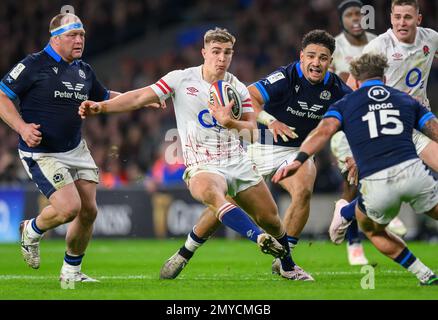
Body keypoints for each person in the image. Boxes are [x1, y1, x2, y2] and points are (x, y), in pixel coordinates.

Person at [79, 27, 300, 278]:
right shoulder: (181, 79)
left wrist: (230, 123)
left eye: (227, 52)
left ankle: (287, 266)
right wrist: (101, 107)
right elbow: (139, 96)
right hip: (202, 164)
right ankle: (258, 237)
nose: (222, 58)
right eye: (216, 51)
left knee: (272, 219)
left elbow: (250, 128)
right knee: (215, 195)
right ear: (204, 52)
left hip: (237, 161)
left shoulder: (237, 87)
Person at [159, 30, 353, 281]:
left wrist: (351, 153)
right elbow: (250, 94)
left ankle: (285, 258)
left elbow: (356, 115)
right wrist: (270, 121)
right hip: (260, 144)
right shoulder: (285, 76)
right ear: (301, 57)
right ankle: (186, 252)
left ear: (330, 62)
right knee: (229, 200)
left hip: (296, 150)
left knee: (304, 187)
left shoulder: (336, 88)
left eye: (323, 58)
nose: (316, 63)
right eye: (312, 56)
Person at [272, 53, 438, 286]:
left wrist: (298, 160)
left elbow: (322, 133)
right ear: (384, 77)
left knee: (374, 230)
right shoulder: (405, 98)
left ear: (356, 81)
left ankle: (424, 273)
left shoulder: (345, 103)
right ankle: (347, 212)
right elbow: (434, 131)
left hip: (376, 182)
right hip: (413, 171)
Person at [0, 13, 123, 282]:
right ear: (55, 39)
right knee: (69, 208)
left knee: (89, 211)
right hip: (42, 152)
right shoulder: (33, 64)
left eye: (82, 36)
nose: (79, 41)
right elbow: (2, 95)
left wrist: (141, 99)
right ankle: (31, 230)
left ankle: (71, 272)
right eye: (72, 35)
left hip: (76, 149)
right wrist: (21, 127)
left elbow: (105, 97)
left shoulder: (83, 69)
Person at [332, 0, 438, 247]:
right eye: (398, 17)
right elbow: (351, 87)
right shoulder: (379, 46)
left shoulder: (430, 38)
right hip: (393, 126)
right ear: (391, 19)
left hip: (421, 120)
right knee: (390, 195)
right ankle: (347, 213)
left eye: (408, 17)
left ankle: (348, 212)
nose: (402, 23)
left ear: (418, 20)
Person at [330, 0, 406, 266]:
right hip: (352, 120)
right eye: (349, 14)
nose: (355, 18)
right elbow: (334, 83)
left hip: (382, 117)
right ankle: (354, 244)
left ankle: (370, 213)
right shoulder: (336, 46)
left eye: (359, 14)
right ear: (342, 20)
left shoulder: (379, 41)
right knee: (352, 181)